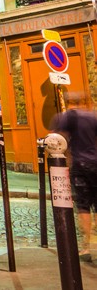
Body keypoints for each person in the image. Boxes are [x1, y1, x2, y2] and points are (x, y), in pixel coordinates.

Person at [52, 93, 97, 258]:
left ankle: (86, 247)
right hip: (96, 163)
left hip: (80, 164)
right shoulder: (93, 117)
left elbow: (57, 140)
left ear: (69, 102)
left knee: (83, 206)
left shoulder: (69, 117)